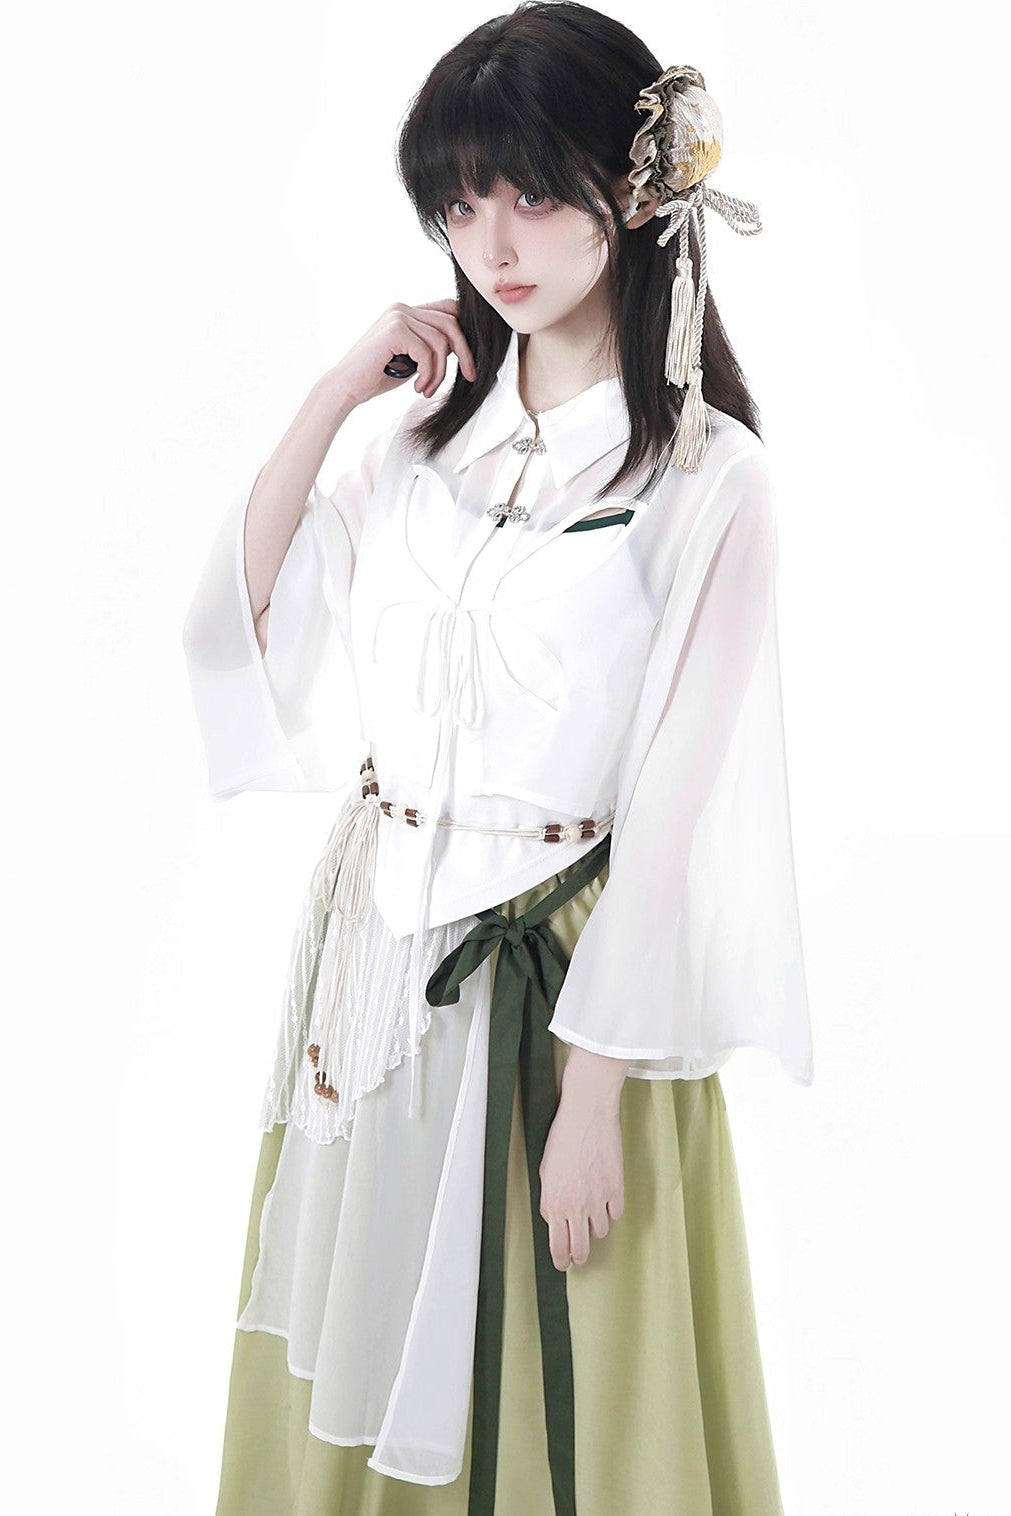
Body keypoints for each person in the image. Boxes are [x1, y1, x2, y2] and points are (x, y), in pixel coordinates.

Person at [181, 5, 814, 1512]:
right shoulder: (414, 450)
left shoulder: (708, 480)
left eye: (531, 191)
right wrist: (339, 390)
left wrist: (594, 1096)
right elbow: (242, 624)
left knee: (563, 1376)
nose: (494, 243)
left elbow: (673, 811)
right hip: (374, 967)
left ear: (635, 197)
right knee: (359, 1336)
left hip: (574, 981)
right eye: (460, 205)